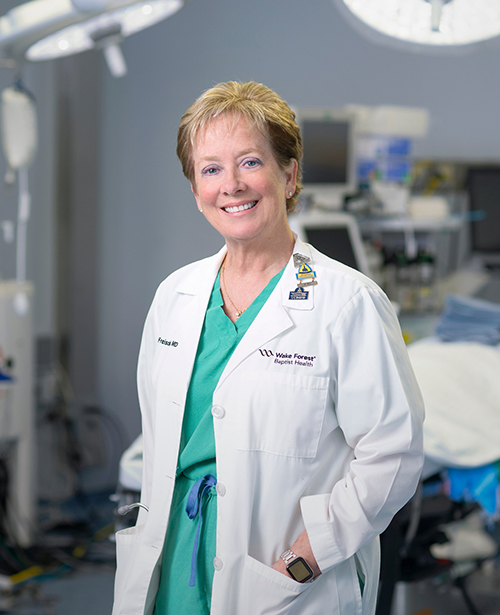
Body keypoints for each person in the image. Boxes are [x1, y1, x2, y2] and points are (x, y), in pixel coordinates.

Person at [112, 81, 424, 615]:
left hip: (284, 578)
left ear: (289, 173)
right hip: (170, 561)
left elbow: (392, 453)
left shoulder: (348, 302)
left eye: (250, 162)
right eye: (210, 169)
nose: (231, 185)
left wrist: (305, 559)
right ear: (195, 188)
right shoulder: (176, 296)